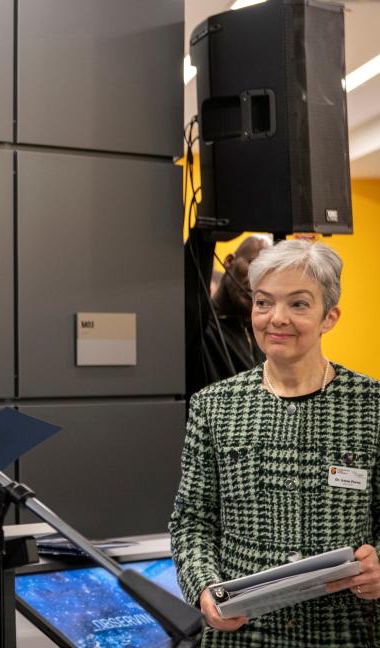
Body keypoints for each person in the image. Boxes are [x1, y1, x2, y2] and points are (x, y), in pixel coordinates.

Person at [170, 239, 380, 647]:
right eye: (263, 302)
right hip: (245, 634)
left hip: (345, 632)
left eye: (298, 304)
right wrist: (204, 588)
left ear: (329, 316)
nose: (276, 318)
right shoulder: (215, 406)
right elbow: (192, 521)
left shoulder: (370, 405)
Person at [186, 234, 271, 398]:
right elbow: (192, 295)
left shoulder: (264, 337)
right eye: (254, 265)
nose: (259, 281)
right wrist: (205, 235)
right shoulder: (201, 328)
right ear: (229, 261)